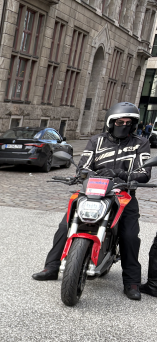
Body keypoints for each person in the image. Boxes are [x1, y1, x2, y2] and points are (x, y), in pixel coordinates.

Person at [32, 102, 151, 300]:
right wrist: (84, 174)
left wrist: (119, 173)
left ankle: (131, 282)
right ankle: (51, 267)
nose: (124, 125)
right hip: (93, 190)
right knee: (65, 226)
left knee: (129, 236)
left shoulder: (140, 143)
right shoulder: (96, 141)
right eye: (119, 122)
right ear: (110, 122)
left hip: (124, 194)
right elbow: (84, 166)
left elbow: (144, 173)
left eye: (128, 122)